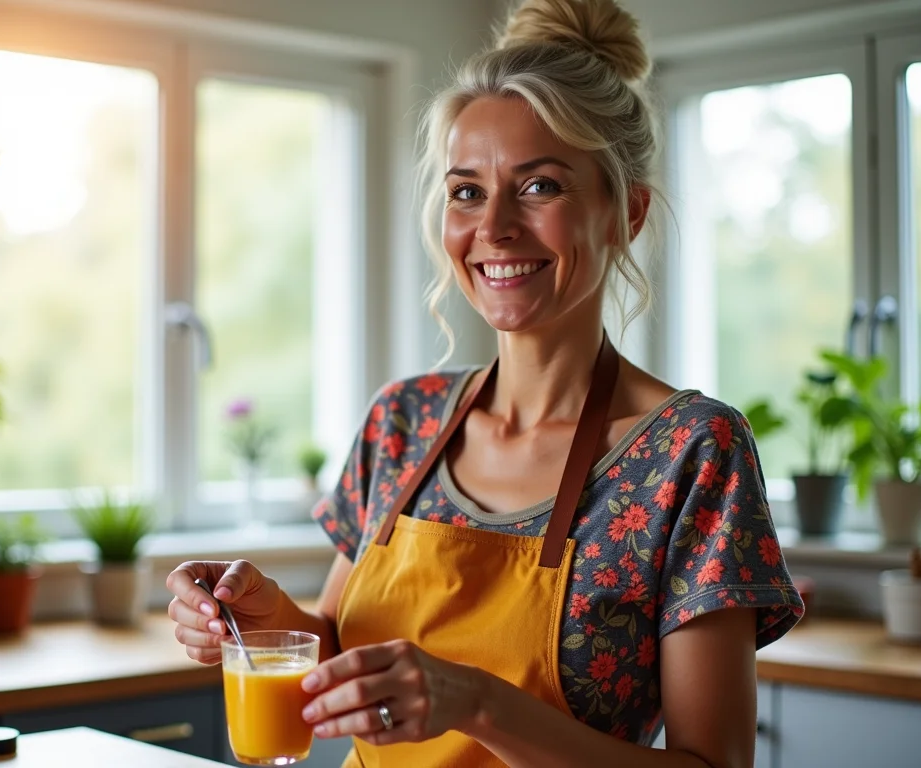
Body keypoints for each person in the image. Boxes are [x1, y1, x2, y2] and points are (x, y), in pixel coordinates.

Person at [166, 0, 804, 765]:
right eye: (467, 191)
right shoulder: (403, 422)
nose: (494, 227)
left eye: (540, 187)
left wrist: (477, 704)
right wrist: (267, 617)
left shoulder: (692, 453)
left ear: (626, 213)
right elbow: (341, 657)